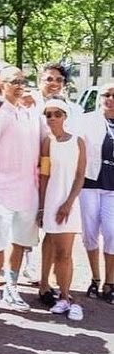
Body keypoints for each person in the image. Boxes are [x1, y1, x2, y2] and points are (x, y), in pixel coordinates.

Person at [0, 65, 43, 316]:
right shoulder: (1, 115)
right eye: (13, 81)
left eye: (21, 81)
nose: (19, 85)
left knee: (19, 242)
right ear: (1, 84)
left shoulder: (29, 113)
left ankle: (11, 287)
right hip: (2, 189)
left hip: (28, 190)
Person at [38, 99, 85, 321]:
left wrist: (68, 203)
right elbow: (44, 175)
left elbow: (80, 176)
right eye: (49, 114)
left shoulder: (78, 142)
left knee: (65, 253)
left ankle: (67, 297)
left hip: (69, 204)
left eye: (57, 114)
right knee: (54, 251)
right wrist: (41, 206)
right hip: (50, 203)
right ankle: (58, 294)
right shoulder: (47, 142)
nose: (53, 118)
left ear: (65, 116)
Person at [80, 81, 114, 302]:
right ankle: (94, 277)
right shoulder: (86, 121)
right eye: (106, 94)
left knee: (112, 234)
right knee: (90, 234)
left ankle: (110, 282)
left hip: (112, 188)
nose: (110, 99)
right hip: (90, 185)